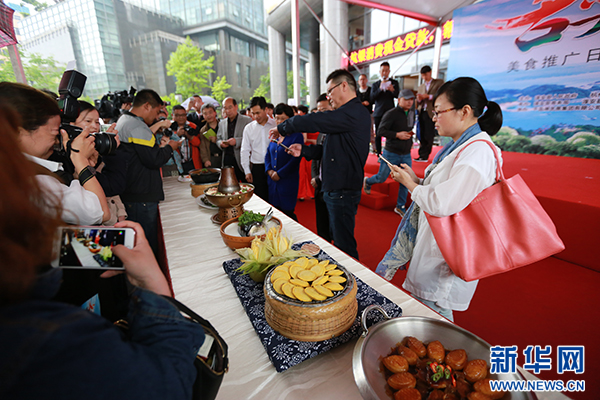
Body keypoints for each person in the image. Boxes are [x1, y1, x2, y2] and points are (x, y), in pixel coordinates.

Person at [0, 104, 205, 399]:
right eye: (56, 130)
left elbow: (49, 245)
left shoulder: (31, 237)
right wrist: (154, 288)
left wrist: (106, 247)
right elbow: (168, 383)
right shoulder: (45, 337)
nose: (67, 136)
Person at [376, 77, 504, 321]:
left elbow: (442, 203)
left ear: (464, 111)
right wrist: (417, 180)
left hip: (445, 256)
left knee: (433, 318)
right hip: (437, 246)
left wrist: (410, 184)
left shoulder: (477, 153)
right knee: (428, 316)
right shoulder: (463, 146)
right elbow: (447, 192)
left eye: (438, 112)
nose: (434, 119)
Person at [270, 69, 371, 260]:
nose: (328, 97)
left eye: (329, 91)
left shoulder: (355, 112)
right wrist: (304, 151)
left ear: (343, 86)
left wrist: (284, 126)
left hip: (343, 188)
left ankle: (353, 283)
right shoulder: (345, 115)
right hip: (332, 186)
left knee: (344, 246)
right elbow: (329, 151)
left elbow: (316, 120)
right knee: (330, 239)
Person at [0, 82, 110, 226]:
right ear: (18, 132)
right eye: (54, 132)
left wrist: (79, 172)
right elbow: (100, 212)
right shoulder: (35, 182)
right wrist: (80, 160)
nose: (58, 141)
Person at [116, 89, 181, 255]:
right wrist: (169, 148)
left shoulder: (125, 119)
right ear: (147, 106)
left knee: (138, 243)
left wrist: (160, 147)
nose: (157, 116)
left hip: (134, 192)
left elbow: (144, 154)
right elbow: (154, 160)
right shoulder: (136, 125)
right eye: (157, 111)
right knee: (144, 246)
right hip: (141, 196)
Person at [71, 101, 128, 226]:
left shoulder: (95, 149)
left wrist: (120, 211)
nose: (94, 127)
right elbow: (112, 185)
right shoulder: (73, 158)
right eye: (88, 121)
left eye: (97, 122)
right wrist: (112, 151)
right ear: (70, 124)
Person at [363, 89, 416, 217]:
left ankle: (400, 206)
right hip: (391, 152)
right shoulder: (391, 113)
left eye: (411, 99)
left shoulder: (412, 113)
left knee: (406, 180)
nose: (410, 102)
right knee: (382, 177)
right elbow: (380, 131)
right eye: (406, 99)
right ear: (399, 99)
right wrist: (397, 135)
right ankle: (368, 181)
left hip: (406, 152)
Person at [265, 103, 304, 220]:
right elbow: (268, 154)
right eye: (277, 118)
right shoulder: (275, 134)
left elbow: (295, 160)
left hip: (287, 181)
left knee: (288, 214)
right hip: (272, 181)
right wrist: (269, 171)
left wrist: (279, 174)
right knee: (275, 213)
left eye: (283, 119)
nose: (279, 121)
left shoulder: (297, 136)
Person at [240, 96, 276, 201]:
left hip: (274, 167)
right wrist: (247, 170)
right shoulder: (249, 128)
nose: (255, 116)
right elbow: (245, 150)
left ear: (266, 110)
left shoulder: (275, 125)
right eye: (253, 113)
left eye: (258, 113)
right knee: (261, 200)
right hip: (257, 169)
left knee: (276, 200)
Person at [310, 94, 333, 242]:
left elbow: (334, 163)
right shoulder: (321, 133)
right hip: (319, 187)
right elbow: (315, 159)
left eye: (324, 110)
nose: (320, 114)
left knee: (335, 229)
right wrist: (314, 177)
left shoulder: (336, 132)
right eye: (318, 111)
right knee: (321, 225)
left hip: (333, 187)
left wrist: (318, 178)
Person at [217, 97, 252, 182]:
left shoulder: (247, 120)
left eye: (230, 107)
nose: (227, 110)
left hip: (241, 159)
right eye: (225, 108)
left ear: (236, 107)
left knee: (245, 185)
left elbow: (251, 139)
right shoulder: (222, 123)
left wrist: (237, 141)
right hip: (227, 159)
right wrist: (221, 143)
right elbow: (218, 138)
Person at [415, 65, 444, 162]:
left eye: (426, 75)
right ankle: (421, 154)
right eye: (423, 76)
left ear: (430, 73)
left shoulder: (438, 83)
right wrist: (419, 99)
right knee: (421, 133)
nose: (424, 77)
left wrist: (428, 96)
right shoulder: (421, 86)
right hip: (422, 111)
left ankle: (426, 155)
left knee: (429, 133)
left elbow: (440, 95)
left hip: (431, 111)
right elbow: (419, 101)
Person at [370, 61, 399, 155]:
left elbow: (398, 95)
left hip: (390, 112)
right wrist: (380, 89)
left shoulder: (394, 83)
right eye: (383, 71)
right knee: (378, 134)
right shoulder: (375, 84)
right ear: (380, 71)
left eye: (386, 71)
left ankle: (389, 152)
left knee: (390, 133)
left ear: (389, 71)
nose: (384, 73)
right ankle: (379, 153)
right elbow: (372, 98)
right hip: (379, 112)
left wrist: (392, 90)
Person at [171, 105, 200, 173]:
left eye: (183, 115)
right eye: (177, 115)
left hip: (192, 162)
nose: (181, 117)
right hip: (176, 163)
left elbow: (198, 143)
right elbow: (167, 145)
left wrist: (188, 135)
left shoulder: (193, 126)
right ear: (172, 115)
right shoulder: (169, 128)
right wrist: (177, 135)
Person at [197, 103, 222, 168]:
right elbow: (203, 147)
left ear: (215, 113)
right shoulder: (203, 130)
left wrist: (216, 140)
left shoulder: (223, 125)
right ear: (203, 115)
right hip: (211, 158)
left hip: (224, 157)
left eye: (210, 112)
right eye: (205, 114)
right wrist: (205, 160)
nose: (208, 115)